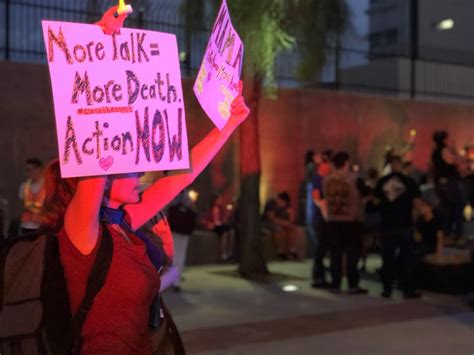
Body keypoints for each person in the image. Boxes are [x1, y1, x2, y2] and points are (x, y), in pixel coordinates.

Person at [41, 86, 250, 354]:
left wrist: (230, 123)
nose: (139, 173)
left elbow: (181, 177)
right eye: (129, 169)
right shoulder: (83, 234)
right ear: (103, 180)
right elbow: (93, 159)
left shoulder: (123, 222)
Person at [374, 155, 423, 299]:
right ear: (401, 165)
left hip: (387, 225)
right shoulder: (409, 182)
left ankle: (387, 289)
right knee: (406, 258)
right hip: (404, 225)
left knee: (387, 258)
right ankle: (408, 289)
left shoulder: (382, 182)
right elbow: (417, 205)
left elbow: (375, 202)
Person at [323, 152, 366, 294]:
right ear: (347, 162)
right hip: (351, 222)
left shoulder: (327, 180)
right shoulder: (355, 179)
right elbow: (365, 194)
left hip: (333, 221)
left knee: (335, 254)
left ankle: (336, 283)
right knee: (352, 254)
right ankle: (353, 284)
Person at [431, 130, 465, 243]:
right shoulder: (444, 150)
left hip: (443, 185)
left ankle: (448, 235)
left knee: (447, 210)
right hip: (449, 185)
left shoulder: (436, 152)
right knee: (456, 209)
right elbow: (452, 161)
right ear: (444, 139)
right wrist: (455, 152)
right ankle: (455, 235)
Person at [166, 190, 197, 292]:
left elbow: (167, 207)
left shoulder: (172, 192)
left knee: (172, 253)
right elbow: (192, 208)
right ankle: (176, 280)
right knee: (181, 254)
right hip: (184, 229)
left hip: (174, 228)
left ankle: (170, 278)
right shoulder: (185, 194)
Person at [263, 192, 298, 260]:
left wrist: (291, 214)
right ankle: (280, 252)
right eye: (282, 202)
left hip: (282, 222)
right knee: (279, 229)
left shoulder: (286, 205)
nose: (283, 205)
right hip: (268, 223)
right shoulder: (271, 202)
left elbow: (292, 220)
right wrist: (284, 223)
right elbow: (271, 218)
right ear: (279, 199)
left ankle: (291, 250)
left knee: (292, 228)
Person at [19, 158, 45, 234]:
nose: (30, 172)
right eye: (27, 170)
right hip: (26, 225)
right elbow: (22, 203)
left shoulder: (47, 186)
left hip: (42, 225)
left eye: (31, 169)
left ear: (39, 169)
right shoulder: (24, 186)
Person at [209, 194, 234, 262]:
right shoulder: (210, 209)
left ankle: (230, 251)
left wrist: (226, 216)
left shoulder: (220, 209)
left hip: (220, 225)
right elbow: (204, 219)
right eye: (218, 199)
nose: (220, 201)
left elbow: (222, 220)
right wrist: (208, 223)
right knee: (224, 233)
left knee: (231, 231)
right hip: (215, 226)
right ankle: (223, 254)